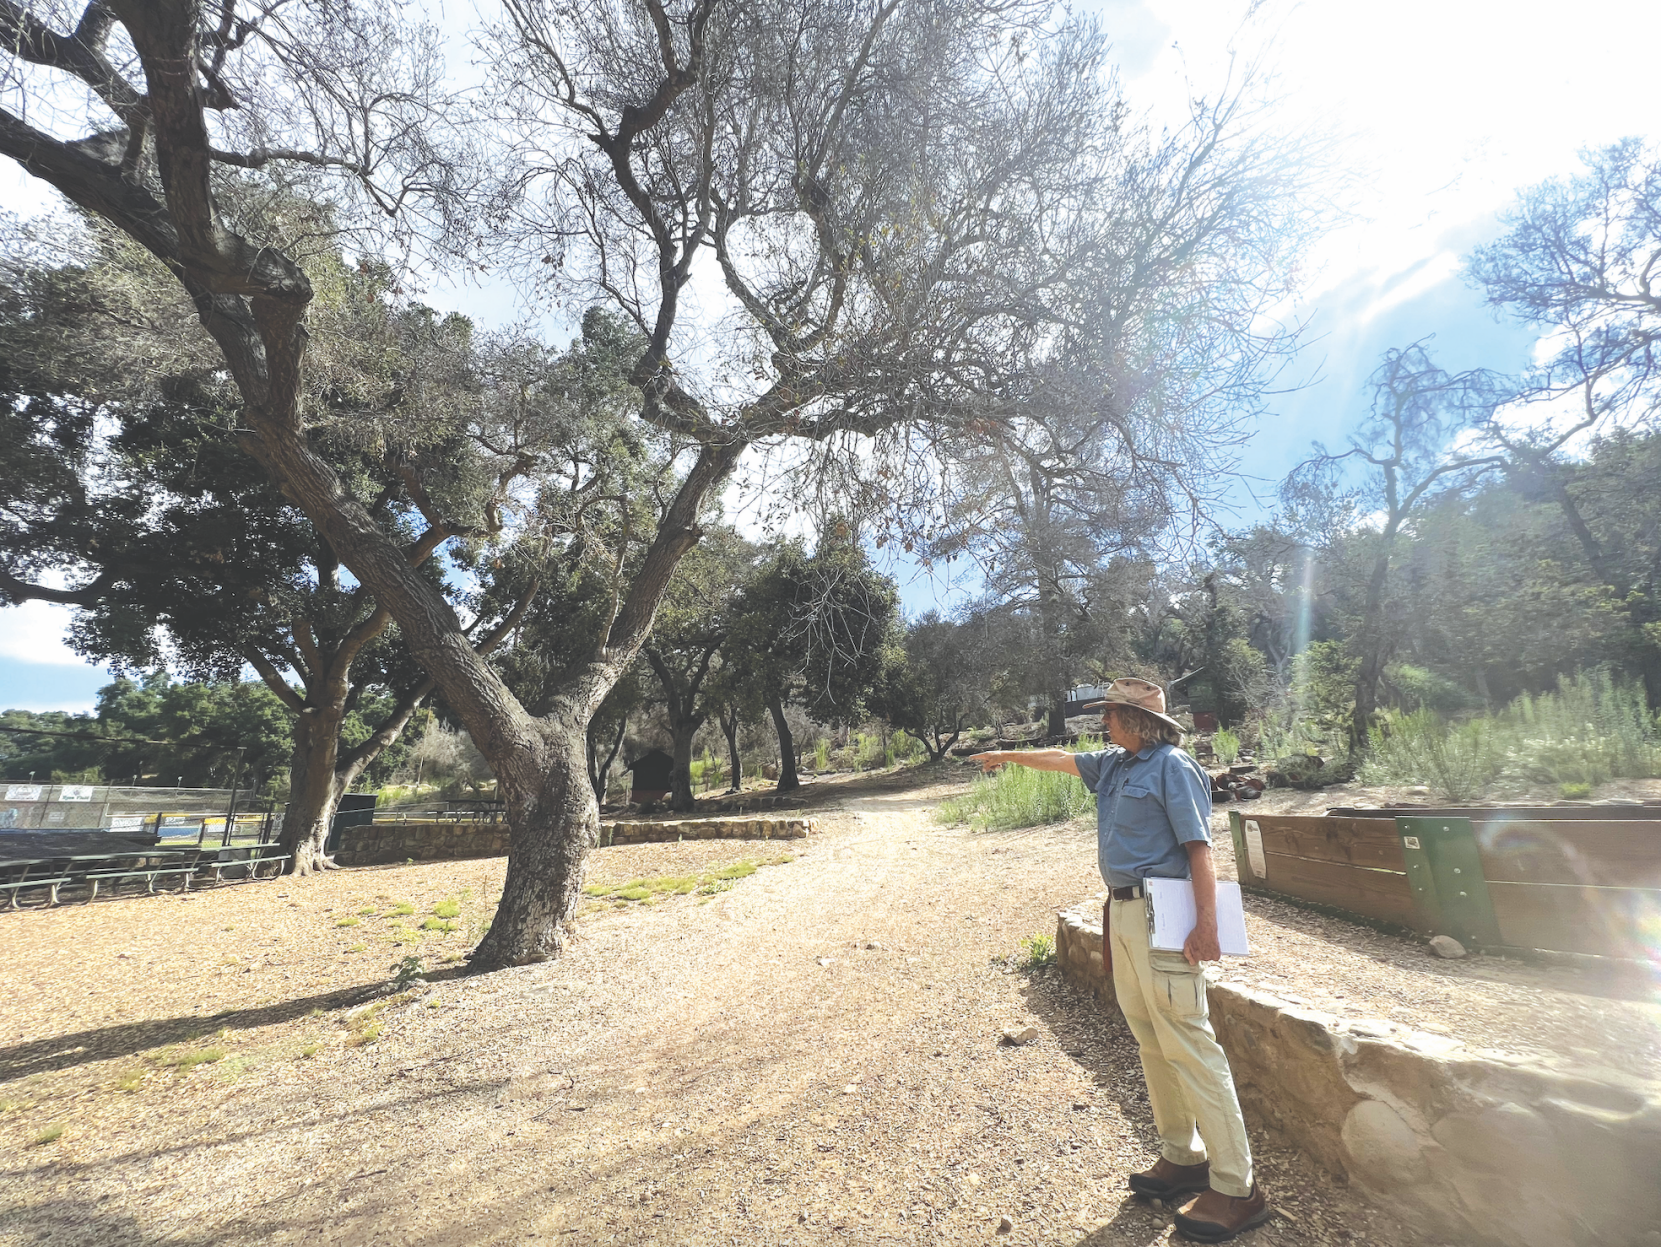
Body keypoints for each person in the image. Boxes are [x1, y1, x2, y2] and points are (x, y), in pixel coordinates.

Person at [974, 677, 1269, 1243]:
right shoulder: (1114, 764)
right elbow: (1061, 759)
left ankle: (1239, 1189)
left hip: (1167, 913)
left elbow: (1199, 849)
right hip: (1126, 912)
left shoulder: (1173, 767)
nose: (1103, 722)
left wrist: (1207, 924)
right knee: (1152, 1038)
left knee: (1188, 1039)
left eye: (1110, 714)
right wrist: (1007, 754)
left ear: (1137, 720)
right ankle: (1183, 1157)